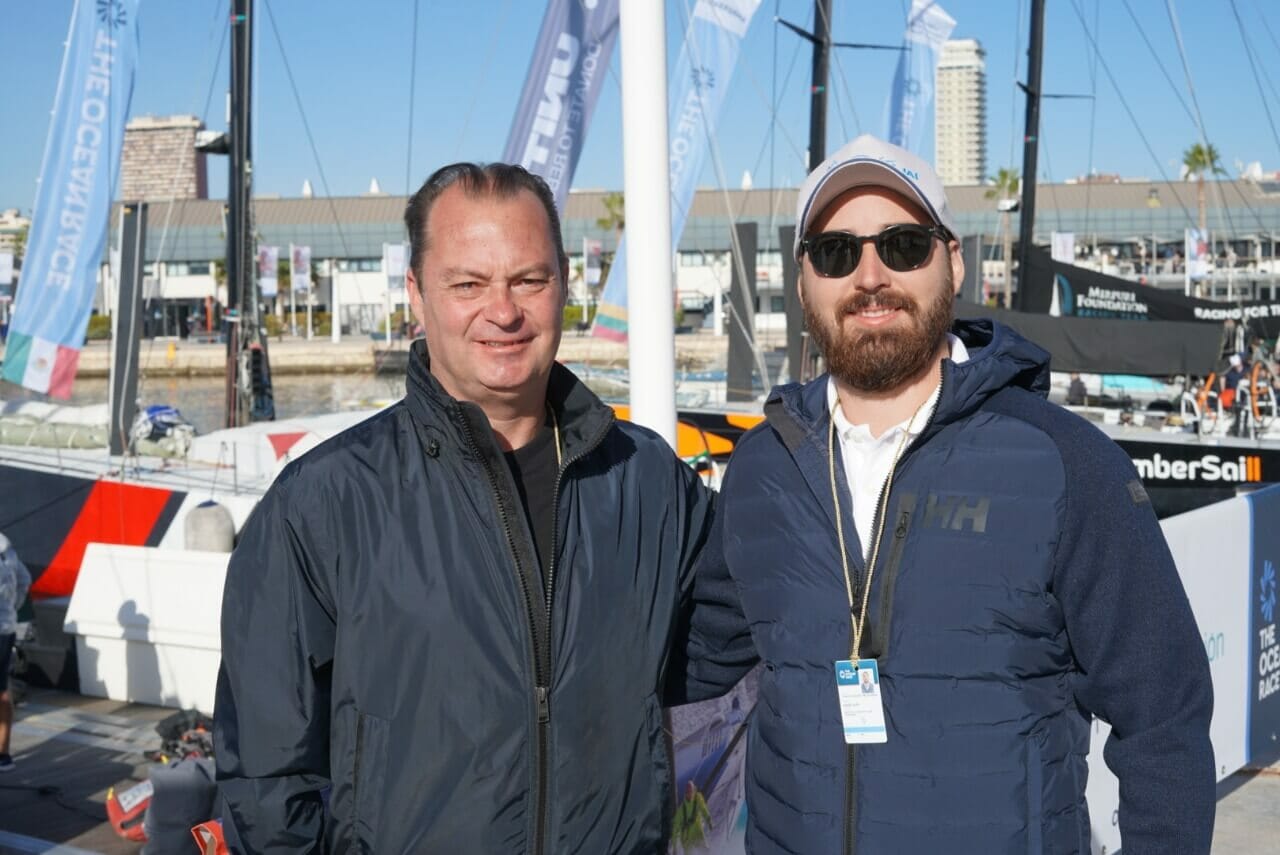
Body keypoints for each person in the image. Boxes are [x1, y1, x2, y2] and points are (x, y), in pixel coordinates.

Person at [670, 134, 1215, 853]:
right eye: (836, 252)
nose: (869, 275)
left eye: (902, 245)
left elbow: (1163, 714)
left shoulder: (1064, 462)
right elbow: (696, 664)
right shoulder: (762, 468)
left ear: (952, 261)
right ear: (803, 280)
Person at [215, 163, 714, 853]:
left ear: (563, 284)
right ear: (418, 294)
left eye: (528, 280)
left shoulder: (646, 479)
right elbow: (266, 783)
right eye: (468, 284)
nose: (503, 311)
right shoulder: (322, 505)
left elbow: (745, 631)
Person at [0, 532, 32, 773]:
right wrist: (11, 609)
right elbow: (24, 579)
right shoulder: (7, 549)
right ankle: (4, 754)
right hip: (6, 629)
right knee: (2, 691)